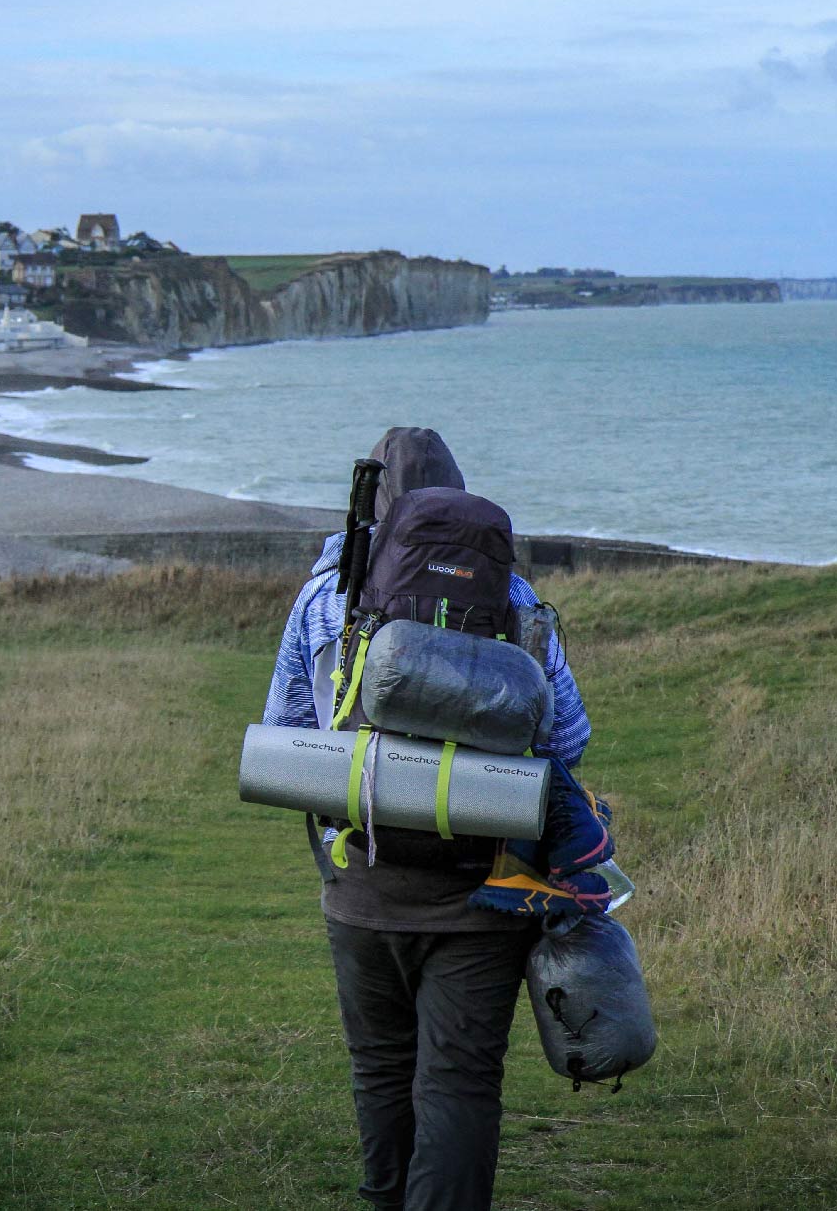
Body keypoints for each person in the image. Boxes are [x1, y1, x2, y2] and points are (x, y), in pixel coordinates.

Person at [263, 426, 591, 1211]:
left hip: (363, 890)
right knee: (459, 1084)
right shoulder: (512, 598)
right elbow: (569, 737)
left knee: (380, 1071)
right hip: (484, 897)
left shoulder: (327, 593)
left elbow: (286, 729)